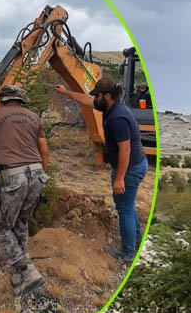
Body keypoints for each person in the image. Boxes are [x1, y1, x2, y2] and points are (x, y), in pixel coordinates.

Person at [55, 78, 148, 263]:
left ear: (107, 96)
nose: (95, 99)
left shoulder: (117, 118)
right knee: (127, 206)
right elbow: (86, 100)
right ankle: (136, 239)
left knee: (124, 209)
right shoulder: (108, 106)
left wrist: (120, 178)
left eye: (97, 95)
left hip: (129, 169)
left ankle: (128, 254)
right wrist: (66, 92)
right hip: (131, 166)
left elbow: (125, 149)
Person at [0, 84, 48, 297]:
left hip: (12, 176)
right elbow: (45, 152)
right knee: (20, 222)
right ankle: (19, 279)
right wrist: (39, 179)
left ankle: (27, 269)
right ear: (20, 100)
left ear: (2, 100)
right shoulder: (34, 117)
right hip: (37, 173)